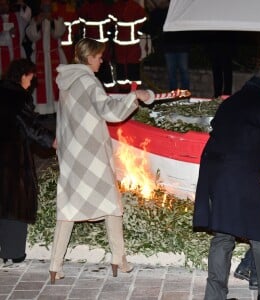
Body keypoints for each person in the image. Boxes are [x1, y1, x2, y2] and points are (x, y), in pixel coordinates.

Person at [49, 37, 155, 284]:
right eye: (98, 56)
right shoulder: (88, 81)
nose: (101, 60)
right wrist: (134, 96)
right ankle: (119, 260)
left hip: (72, 154)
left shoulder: (68, 82)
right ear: (89, 57)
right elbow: (109, 111)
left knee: (67, 207)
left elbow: (66, 117)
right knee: (112, 205)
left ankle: (55, 266)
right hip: (92, 154)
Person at [193, 65, 260, 300]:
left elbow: (241, 142)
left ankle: (214, 297)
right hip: (237, 171)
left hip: (213, 168)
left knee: (223, 233)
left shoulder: (231, 102)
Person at [0, 58, 56, 267]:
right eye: (30, 78)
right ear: (23, 75)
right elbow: (30, 125)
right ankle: (13, 252)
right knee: (15, 203)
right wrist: (52, 141)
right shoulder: (19, 97)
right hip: (12, 158)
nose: (31, 83)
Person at [25, 0, 67, 114]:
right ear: (41, 7)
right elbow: (32, 36)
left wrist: (52, 20)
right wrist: (38, 23)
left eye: (48, 6)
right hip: (39, 56)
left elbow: (58, 32)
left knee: (56, 83)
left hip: (55, 55)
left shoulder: (57, 18)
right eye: (44, 6)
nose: (46, 8)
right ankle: (41, 111)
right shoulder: (35, 19)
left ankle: (57, 109)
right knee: (39, 84)